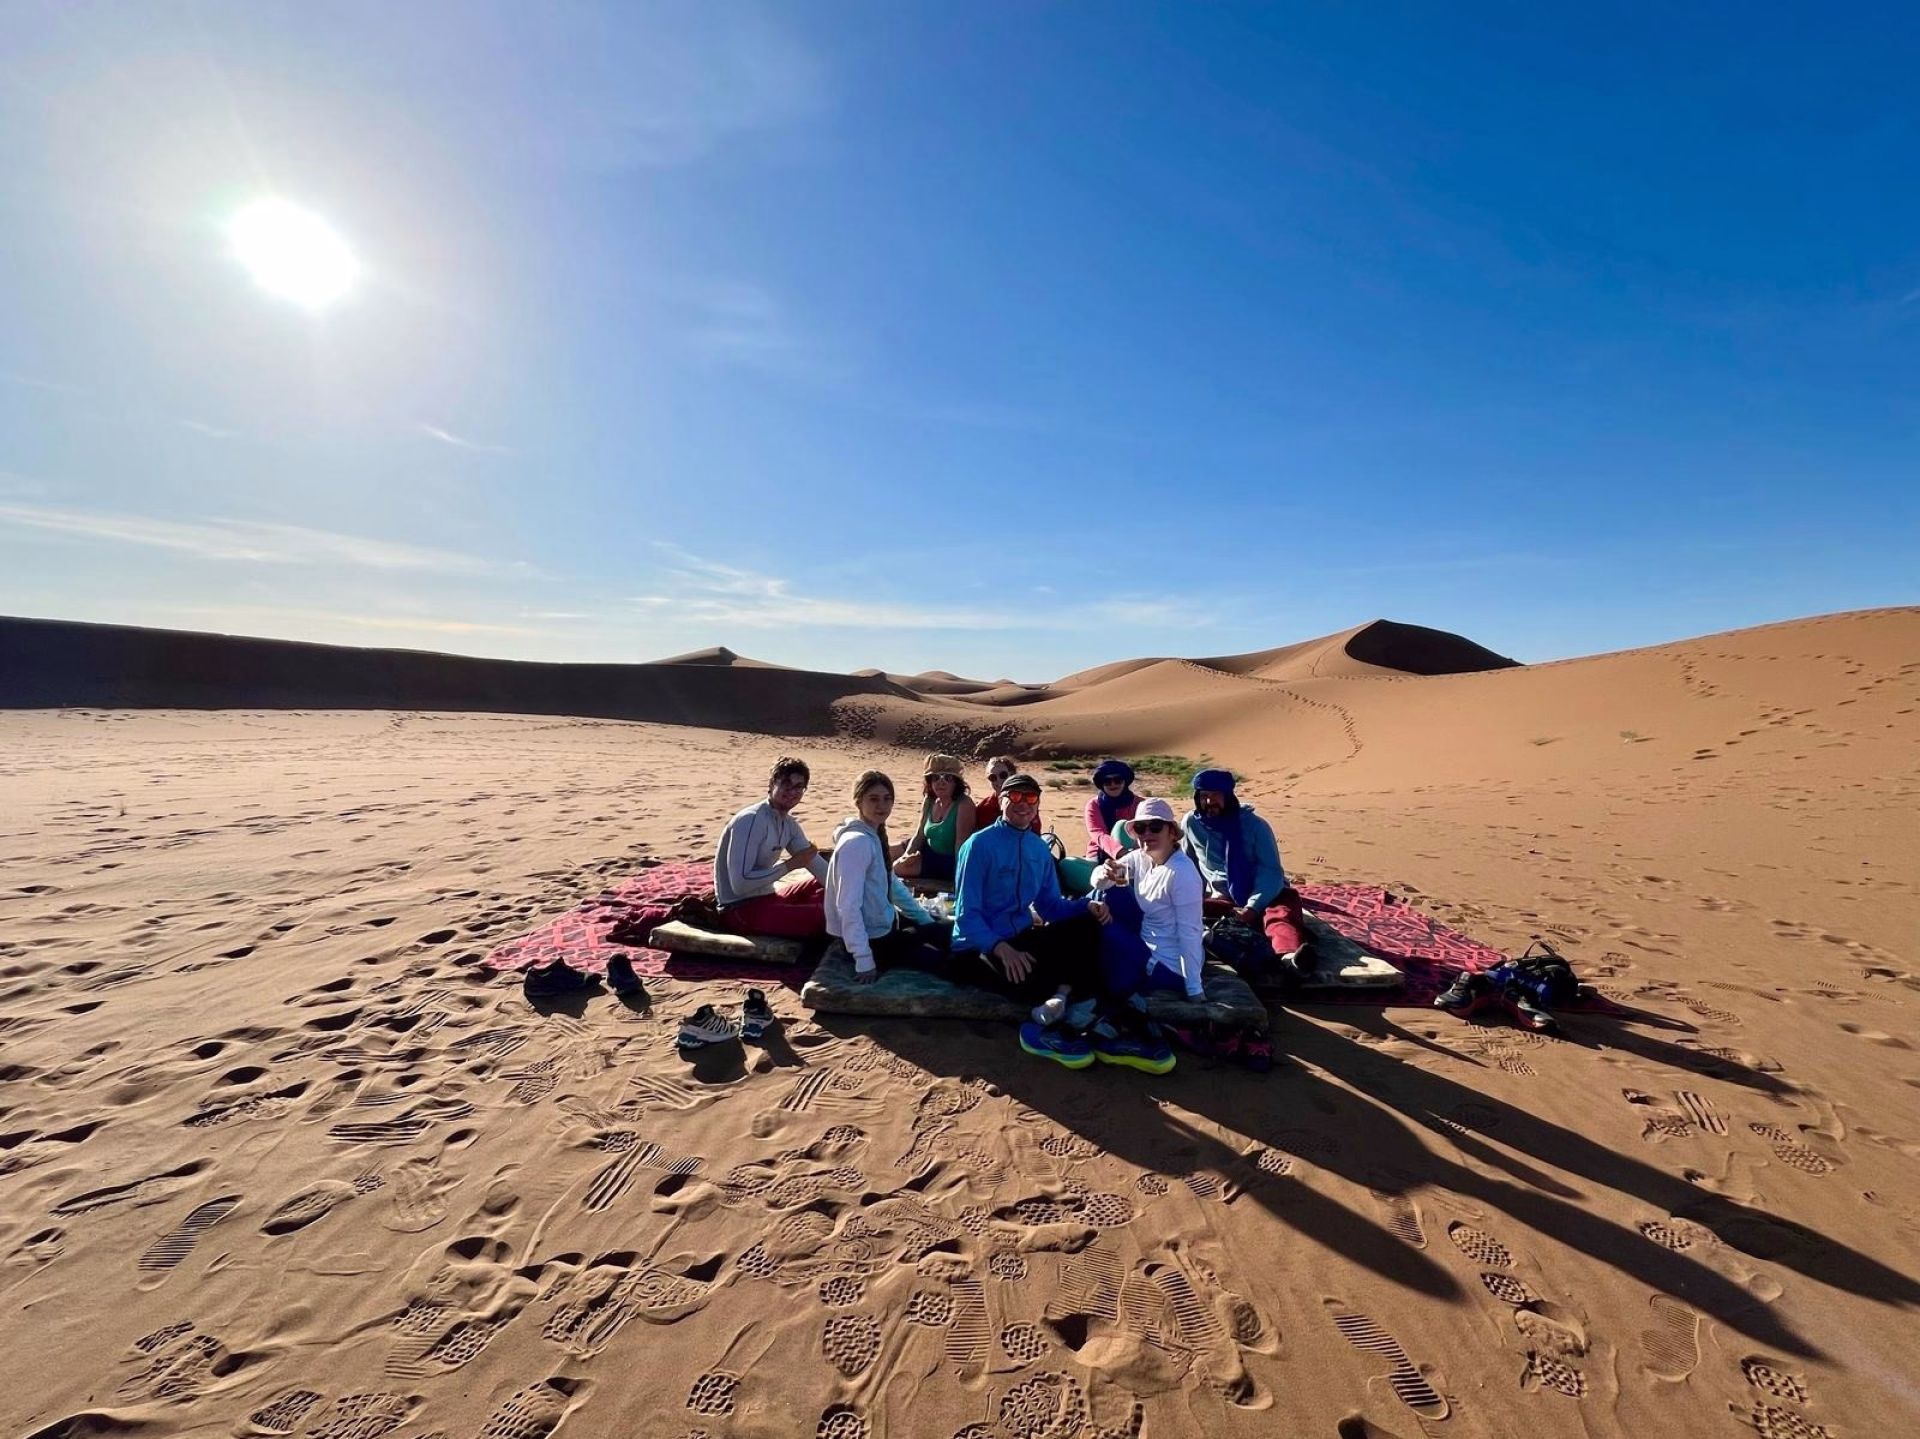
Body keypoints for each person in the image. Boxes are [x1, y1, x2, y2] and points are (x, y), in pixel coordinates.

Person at [949, 772, 1111, 1066]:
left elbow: (1050, 907)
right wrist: (1000, 947)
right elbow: (966, 915)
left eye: (1031, 798)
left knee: (1088, 926)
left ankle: (1060, 996)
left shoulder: (1039, 849)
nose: (1023, 804)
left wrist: (1088, 905)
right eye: (1016, 797)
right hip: (980, 946)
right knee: (1026, 976)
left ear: (1037, 805)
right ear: (1001, 801)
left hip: (1022, 936)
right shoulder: (978, 845)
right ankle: (1052, 1014)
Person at [826, 771, 949, 983]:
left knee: (949, 932)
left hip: (887, 925)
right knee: (949, 964)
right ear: (858, 801)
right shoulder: (857, 843)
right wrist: (864, 960)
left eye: (887, 799)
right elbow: (847, 906)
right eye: (873, 799)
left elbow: (891, 884)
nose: (881, 806)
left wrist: (925, 921)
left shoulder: (873, 834)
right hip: (874, 942)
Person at [1181, 768, 1309, 962]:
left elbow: (1271, 871)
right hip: (1225, 898)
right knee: (1188, 910)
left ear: (1228, 795)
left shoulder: (1255, 826)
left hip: (1268, 894)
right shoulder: (1191, 823)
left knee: (1280, 916)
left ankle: (1289, 958)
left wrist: (1253, 907)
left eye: (1216, 795)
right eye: (1204, 796)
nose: (1209, 802)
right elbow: (1189, 864)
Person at [1089, 797, 1207, 1002]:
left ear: (1171, 832)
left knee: (1097, 928)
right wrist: (1105, 872)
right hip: (1145, 938)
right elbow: (1100, 881)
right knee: (1104, 896)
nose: (1147, 834)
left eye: (1155, 827)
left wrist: (1194, 989)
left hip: (1165, 965)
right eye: (1141, 828)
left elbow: (1191, 931)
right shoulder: (1141, 858)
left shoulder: (1182, 873)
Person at [713, 756, 829, 938]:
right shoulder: (750, 820)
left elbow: (819, 869)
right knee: (828, 913)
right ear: (772, 783)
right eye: (786, 783)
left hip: (769, 897)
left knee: (831, 892)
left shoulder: (789, 825)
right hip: (740, 909)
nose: (792, 791)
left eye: (798, 786)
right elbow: (740, 885)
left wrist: (854, 893)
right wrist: (789, 865)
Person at [893, 753, 975, 885]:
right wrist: (907, 856)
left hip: (948, 861)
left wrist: (959, 878)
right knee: (887, 852)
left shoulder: (964, 804)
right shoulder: (930, 801)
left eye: (947, 778)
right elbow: (919, 834)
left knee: (895, 869)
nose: (940, 782)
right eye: (935, 778)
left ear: (956, 782)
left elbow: (961, 846)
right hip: (928, 852)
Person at [1084, 758, 1140, 859]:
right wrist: (1120, 852)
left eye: (1117, 780)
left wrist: (1132, 856)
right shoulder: (1094, 805)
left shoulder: (1141, 804)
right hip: (1099, 853)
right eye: (1107, 781)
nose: (1113, 784)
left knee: (1122, 826)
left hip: (1136, 853)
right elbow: (1098, 834)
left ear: (1125, 782)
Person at [975, 755, 1042, 831]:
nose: (998, 780)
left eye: (1003, 775)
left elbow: (1035, 834)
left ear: (1012, 775)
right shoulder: (984, 808)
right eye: (993, 777)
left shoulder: (1026, 802)